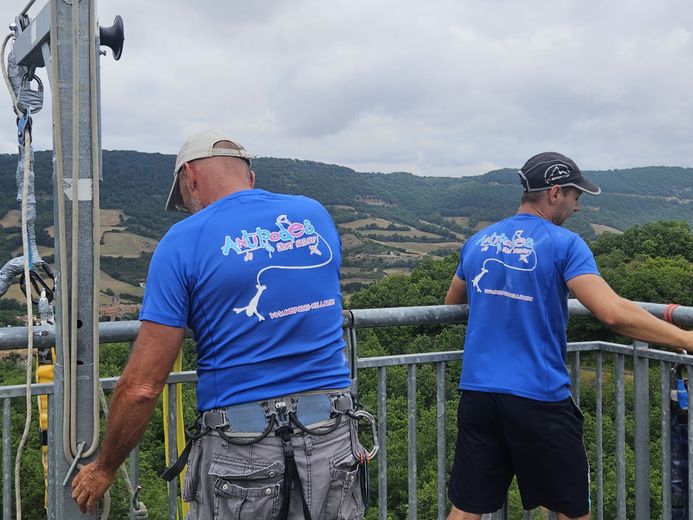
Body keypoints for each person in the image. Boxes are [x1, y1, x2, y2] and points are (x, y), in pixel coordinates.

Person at [72, 129, 367, 519]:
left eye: (184, 197)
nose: (188, 206)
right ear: (250, 177)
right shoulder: (314, 214)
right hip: (331, 436)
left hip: (243, 449)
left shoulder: (182, 241)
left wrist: (105, 467)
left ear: (190, 176)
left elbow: (143, 387)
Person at [444, 151, 693, 520]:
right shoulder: (564, 244)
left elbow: (453, 304)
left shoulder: (479, 241)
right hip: (538, 397)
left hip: (479, 393)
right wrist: (686, 340)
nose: (577, 208)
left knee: (467, 508)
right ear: (555, 193)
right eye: (576, 197)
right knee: (570, 510)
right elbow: (611, 311)